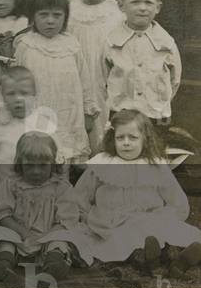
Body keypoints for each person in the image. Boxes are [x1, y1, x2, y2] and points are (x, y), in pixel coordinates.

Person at [42, 110, 201, 273]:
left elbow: (178, 203)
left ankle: (179, 260)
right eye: (120, 138)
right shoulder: (102, 165)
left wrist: (163, 216)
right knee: (122, 239)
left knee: (162, 230)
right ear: (113, 138)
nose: (126, 143)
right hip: (112, 224)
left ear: (145, 139)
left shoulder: (155, 166)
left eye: (133, 138)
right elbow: (80, 197)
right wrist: (90, 217)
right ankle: (149, 258)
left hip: (147, 221)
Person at [14, 0, 97, 164]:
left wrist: (88, 111)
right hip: (39, 111)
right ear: (33, 17)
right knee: (42, 155)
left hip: (68, 111)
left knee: (69, 157)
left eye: (57, 15)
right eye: (43, 15)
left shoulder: (72, 45)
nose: (50, 21)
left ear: (65, 18)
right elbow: (15, 80)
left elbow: (85, 80)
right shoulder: (25, 45)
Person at [0, 132, 74, 281]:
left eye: (43, 166)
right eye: (29, 165)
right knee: (2, 234)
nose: (36, 171)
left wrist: (46, 236)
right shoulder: (11, 184)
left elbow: (66, 220)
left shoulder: (61, 187)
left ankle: (54, 264)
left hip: (48, 237)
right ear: (19, 163)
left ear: (53, 163)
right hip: (19, 235)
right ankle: (5, 263)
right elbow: (3, 214)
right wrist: (24, 234)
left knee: (61, 238)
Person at [103, 0, 181, 128]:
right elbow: (102, 79)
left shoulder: (166, 43)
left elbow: (175, 80)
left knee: (154, 150)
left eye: (148, 3)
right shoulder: (112, 43)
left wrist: (160, 104)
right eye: (135, 2)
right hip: (121, 115)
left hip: (155, 116)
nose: (142, 8)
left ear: (158, 7)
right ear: (121, 6)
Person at [67, 0, 123, 152]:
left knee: (101, 120)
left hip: (103, 76)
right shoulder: (70, 11)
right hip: (75, 74)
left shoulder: (116, 14)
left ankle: (99, 161)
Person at [0, 66, 58, 166]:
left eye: (24, 93)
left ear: (34, 94)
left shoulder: (43, 125)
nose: (18, 99)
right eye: (11, 94)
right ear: (2, 95)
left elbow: (57, 161)